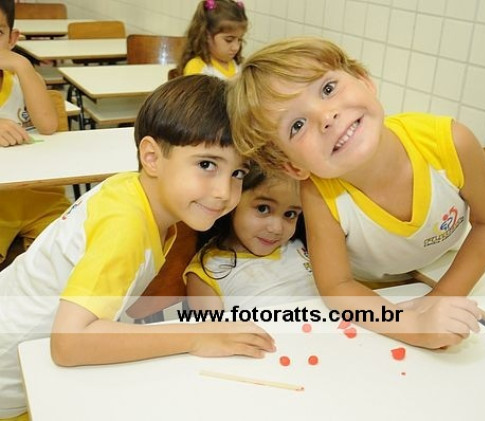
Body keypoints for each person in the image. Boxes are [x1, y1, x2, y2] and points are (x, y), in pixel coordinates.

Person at [0, 75, 275, 421]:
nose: (223, 191)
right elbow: (69, 343)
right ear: (152, 157)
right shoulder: (126, 225)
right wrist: (197, 335)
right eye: (207, 164)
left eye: (237, 173)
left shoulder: (136, 194)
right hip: (14, 392)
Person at [226, 37, 485, 350]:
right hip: (377, 296)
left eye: (327, 89)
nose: (326, 117)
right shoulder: (319, 194)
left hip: (453, 268)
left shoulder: (450, 142)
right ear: (294, 166)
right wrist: (414, 326)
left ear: (364, 80)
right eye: (297, 125)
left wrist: (442, 297)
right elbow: (337, 287)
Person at [185, 164, 318, 311]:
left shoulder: (301, 244)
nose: (277, 228)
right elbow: (211, 326)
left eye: (290, 214)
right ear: (234, 199)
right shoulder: (207, 272)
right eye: (263, 208)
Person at [0, 0, 69, 270]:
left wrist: (23, 66)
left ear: (12, 38)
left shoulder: (22, 78)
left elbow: (48, 125)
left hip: (41, 197)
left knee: (71, 257)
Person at [177, 0, 247, 79]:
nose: (236, 47)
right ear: (206, 35)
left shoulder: (238, 64)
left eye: (240, 40)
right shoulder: (196, 67)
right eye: (229, 40)